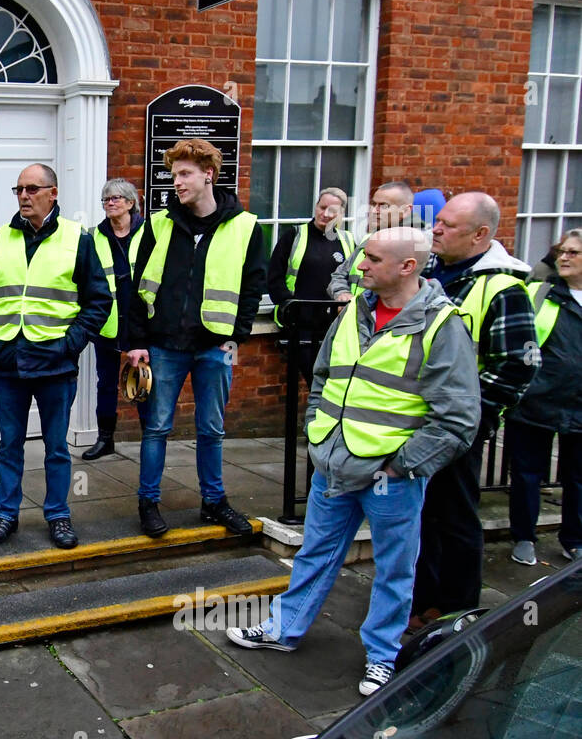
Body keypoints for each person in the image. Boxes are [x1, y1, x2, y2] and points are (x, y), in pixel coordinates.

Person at [227, 228, 480, 696]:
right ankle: (284, 629)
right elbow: (322, 376)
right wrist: (318, 436)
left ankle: (382, 658)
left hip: (390, 475)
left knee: (394, 569)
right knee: (316, 552)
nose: (359, 266)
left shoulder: (442, 325)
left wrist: (400, 466)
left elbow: (459, 420)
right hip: (334, 464)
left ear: (408, 267)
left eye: (373, 259)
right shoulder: (353, 312)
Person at [122, 139, 265, 538]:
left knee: (212, 429)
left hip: (215, 346)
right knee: (156, 428)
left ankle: (213, 502)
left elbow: (253, 288)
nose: (177, 182)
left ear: (209, 175)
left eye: (184, 174)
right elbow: (136, 286)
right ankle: (148, 503)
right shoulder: (157, 223)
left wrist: (235, 337)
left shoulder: (246, 226)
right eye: (174, 175)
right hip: (163, 345)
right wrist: (136, 341)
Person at [0, 164, 111, 550]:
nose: (24, 196)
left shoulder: (77, 239)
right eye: (19, 190)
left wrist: (71, 343)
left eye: (33, 189)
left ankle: (58, 515)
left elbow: (99, 300)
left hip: (55, 363)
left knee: (57, 447)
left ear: (53, 193)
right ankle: (6, 513)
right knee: (9, 445)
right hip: (9, 360)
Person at [411, 192, 537, 625]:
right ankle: (420, 599)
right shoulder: (428, 272)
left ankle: (456, 609)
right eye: (437, 222)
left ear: (480, 234)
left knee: (455, 515)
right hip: (412, 419)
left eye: (448, 225)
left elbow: (517, 366)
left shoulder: (503, 287)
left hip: (457, 426)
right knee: (419, 514)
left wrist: (470, 418)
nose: (436, 230)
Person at [505, 229, 582, 566]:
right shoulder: (539, 293)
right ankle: (523, 536)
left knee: (578, 479)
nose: (564, 258)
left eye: (574, 253)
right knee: (526, 474)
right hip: (536, 401)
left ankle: (575, 540)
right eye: (562, 251)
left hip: (578, 405)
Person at [82, 178, 143, 460]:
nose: (110, 203)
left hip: (141, 321)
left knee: (144, 382)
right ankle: (105, 439)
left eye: (116, 198)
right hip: (106, 323)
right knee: (105, 383)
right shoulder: (93, 235)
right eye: (106, 199)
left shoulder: (149, 233)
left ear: (131, 203)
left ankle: (150, 439)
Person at [267, 187, 353, 384]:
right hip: (302, 323)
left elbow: (354, 279)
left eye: (332, 211)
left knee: (334, 381)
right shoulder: (295, 235)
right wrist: (288, 305)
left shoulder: (347, 240)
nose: (325, 214)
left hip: (336, 323)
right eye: (321, 207)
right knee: (315, 379)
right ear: (315, 207)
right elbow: (274, 276)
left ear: (341, 213)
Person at [328, 181, 424, 303]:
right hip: (354, 316)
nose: (374, 211)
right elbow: (338, 275)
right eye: (374, 204)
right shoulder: (368, 239)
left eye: (384, 206)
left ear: (405, 210)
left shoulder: (420, 246)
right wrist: (342, 294)